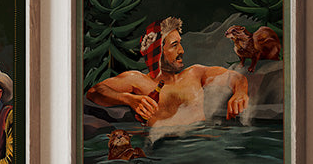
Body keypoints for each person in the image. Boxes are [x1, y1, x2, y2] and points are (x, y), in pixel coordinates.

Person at [86, 17, 248, 127]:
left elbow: (235, 78)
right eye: (174, 45)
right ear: (158, 52)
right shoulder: (138, 80)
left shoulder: (195, 73)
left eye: (180, 44)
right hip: (161, 151)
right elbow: (95, 91)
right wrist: (129, 99)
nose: (182, 50)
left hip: (200, 144)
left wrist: (240, 92)